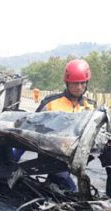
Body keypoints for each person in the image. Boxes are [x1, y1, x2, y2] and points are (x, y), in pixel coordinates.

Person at [35, 59, 94, 191]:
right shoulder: (50, 103)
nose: (79, 87)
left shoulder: (90, 107)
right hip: (52, 158)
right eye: (74, 83)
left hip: (76, 160)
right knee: (73, 192)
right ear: (67, 83)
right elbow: (29, 129)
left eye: (82, 83)